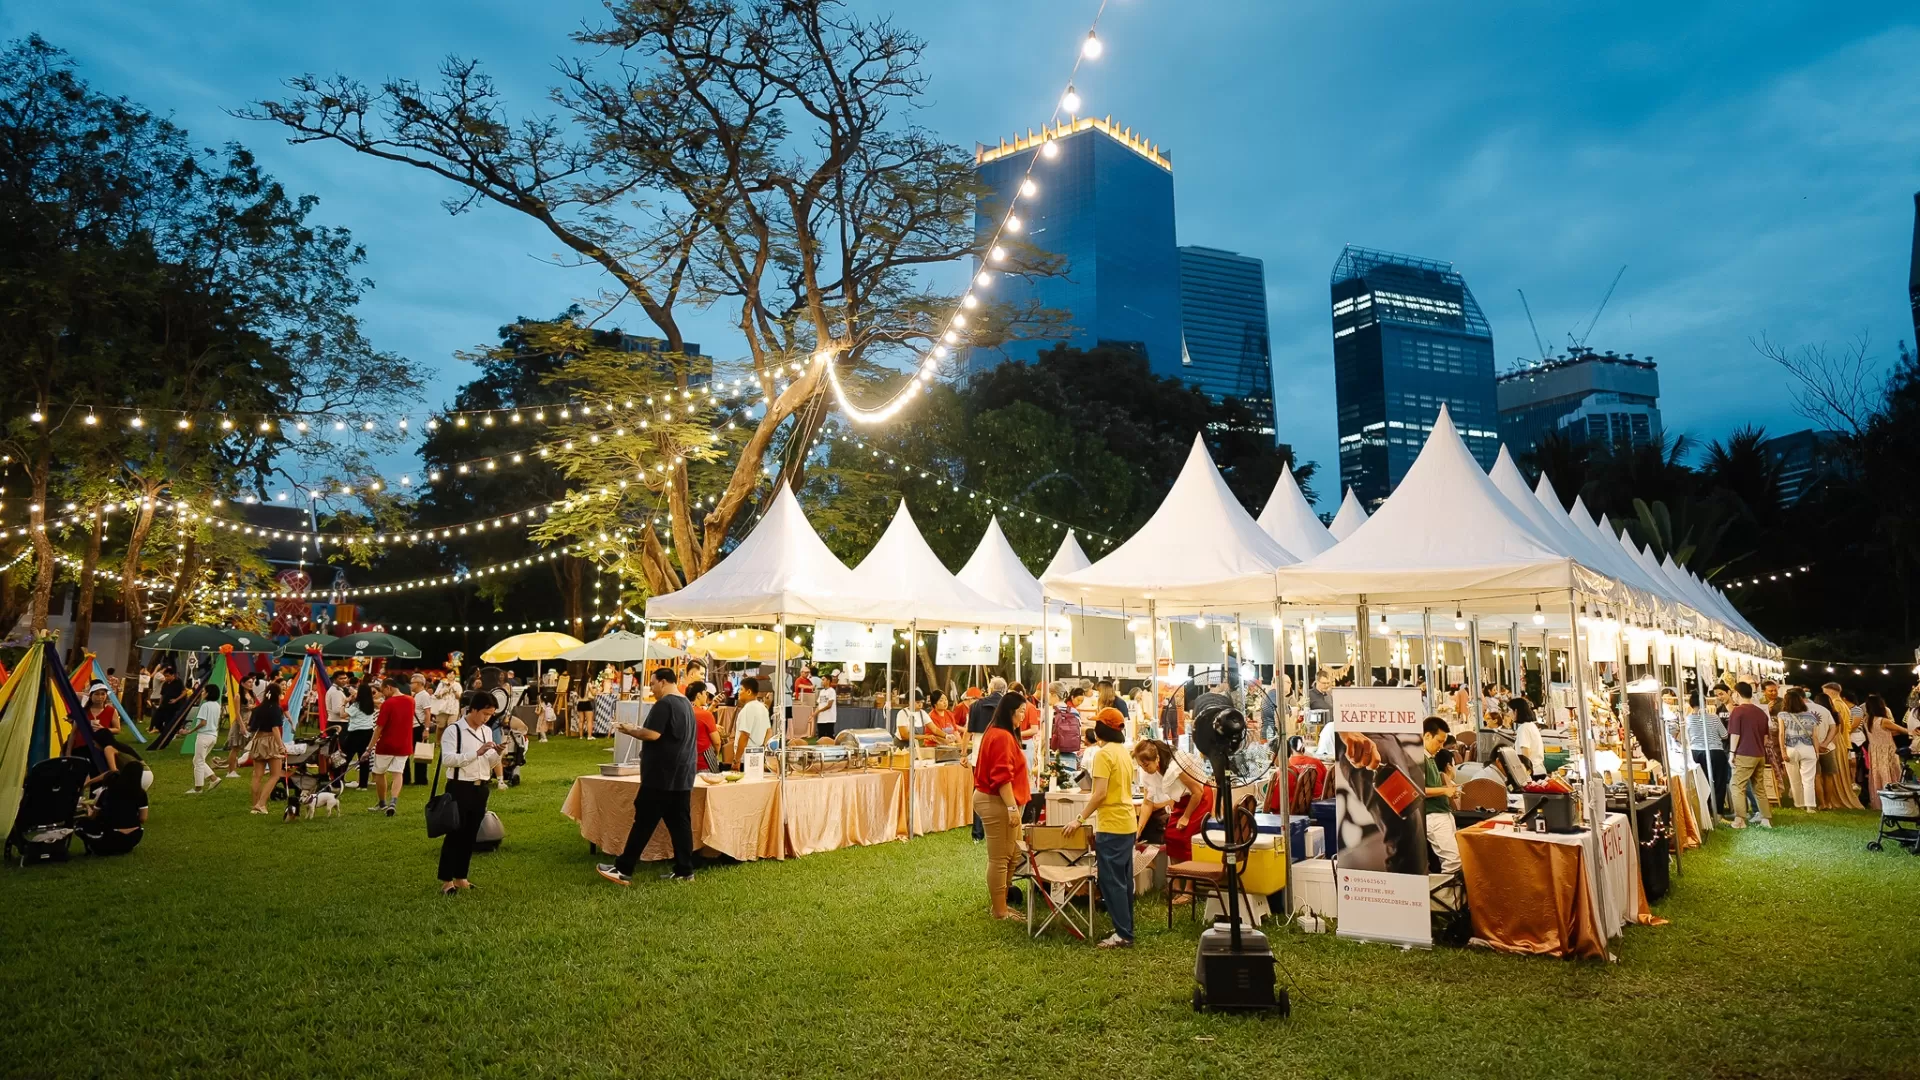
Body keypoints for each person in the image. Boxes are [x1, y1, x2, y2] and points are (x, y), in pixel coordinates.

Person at [599, 669, 699, 885]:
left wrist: (629, 730)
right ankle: (685, 869)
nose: (651, 689)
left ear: (663, 682)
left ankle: (623, 868)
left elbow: (652, 734)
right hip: (682, 775)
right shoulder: (686, 705)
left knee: (644, 821)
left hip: (661, 776)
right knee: (680, 824)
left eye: (652, 684)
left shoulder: (665, 704)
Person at [1064, 709, 1135, 948]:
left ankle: (1123, 934)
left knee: (1110, 880)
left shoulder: (1103, 755)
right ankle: (1125, 927)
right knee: (1123, 880)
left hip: (1112, 824)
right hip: (1127, 822)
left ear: (1103, 729)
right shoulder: (1123, 753)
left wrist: (1079, 819)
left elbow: (1100, 794)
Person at [972, 691, 1031, 921]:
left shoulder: (999, 733)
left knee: (1013, 853)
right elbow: (1002, 776)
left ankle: (1003, 903)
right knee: (1000, 857)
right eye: (1021, 712)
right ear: (1010, 712)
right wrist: (1011, 808)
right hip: (996, 801)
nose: (1023, 718)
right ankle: (999, 910)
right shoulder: (1002, 736)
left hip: (1002, 800)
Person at [437, 692, 502, 895]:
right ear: (473, 709)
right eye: (484, 713)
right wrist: (476, 753)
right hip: (459, 787)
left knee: (470, 834)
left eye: (490, 715)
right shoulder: (454, 730)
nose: (487, 718)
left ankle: (461, 877)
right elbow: (447, 759)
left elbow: (488, 761)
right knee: (455, 834)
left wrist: (497, 753)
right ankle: (446, 880)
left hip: (480, 787)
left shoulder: (486, 731)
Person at [1724, 681, 1773, 829]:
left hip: (1744, 753)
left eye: (1733, 693)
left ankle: (1740, 819)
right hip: (1759, 753)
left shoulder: (1738, 711)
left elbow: (1735, 734)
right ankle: (1766, 819)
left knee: (1736, 785)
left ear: (1737, 694)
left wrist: (1731, 753)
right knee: (1759, 786)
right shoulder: (1760, 712)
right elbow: (1765, 738)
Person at [967, 677, 1009, 841]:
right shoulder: (1007, 705)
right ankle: (1000, 829)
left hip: (978, 754)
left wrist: (964, 753)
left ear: (990, 689)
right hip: (1000, 754)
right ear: (1004, 690)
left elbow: (968, 731)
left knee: (979, 791)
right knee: (1003, 790)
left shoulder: (975, 706)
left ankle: (977, 834)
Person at [79, 756, 149, 856]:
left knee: (81, 824)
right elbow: (143, 818)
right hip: (135, 836)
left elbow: (94, 816)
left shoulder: (107, 792)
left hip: (112, 835)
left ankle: (93, 847)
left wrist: (87, 808)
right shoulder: (140, 793)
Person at [371, 678, 416, 816]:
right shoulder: (410, 700)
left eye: (383, 690)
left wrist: (370, 746)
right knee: (398, 773)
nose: (383, 693)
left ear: (389, 687)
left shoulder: (388, 703)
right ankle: (393, 801)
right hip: (404, 743)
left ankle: (382, 802)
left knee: (379, 772)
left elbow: (379, 728)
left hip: (387, 743)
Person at [1421, 717, 1461, 874]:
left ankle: (1450, 896)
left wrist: (1447, 784)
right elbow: (1417, 789)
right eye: (1439, 741)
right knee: (1453, 860)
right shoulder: (1420, 758)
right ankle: (1446, 898)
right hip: (1433, 815)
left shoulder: (1429, 757)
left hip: (1442, 813)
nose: (1441, 746)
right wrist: (1445, 790)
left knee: (1456, 858)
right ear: (1427, 736)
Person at [1814, 683, 1862, 810]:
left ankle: (1832, 799)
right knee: (1835, 772)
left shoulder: (1836, 704)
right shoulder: (1844, 705)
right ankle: (1832, 799)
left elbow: (1835, 726)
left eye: (1826, 692)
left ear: (1832, 692)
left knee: (1832, 773)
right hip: (1840, 740)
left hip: (1833, 740)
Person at [1687, 691, 1731, 819]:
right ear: (1705, 703)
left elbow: (1686, 738)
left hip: (1696, 753)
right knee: (1719, 783)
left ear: (1690, 705)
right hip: (1715, 751)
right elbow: (1724, 735)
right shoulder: (1714, 717)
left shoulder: (1687, 719)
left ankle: (1705, 813)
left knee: (1702, 783)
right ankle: (1717, 813)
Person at [246, 684, 288, 815]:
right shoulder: (276, 709)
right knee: (275, 775)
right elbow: (275, 728)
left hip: (258, 741)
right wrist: (281, 745)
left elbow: (250, 727)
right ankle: (261, 804)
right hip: (271, 741)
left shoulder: (257, 709)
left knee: (257, 775)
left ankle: (255, 805)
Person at [1778, 687, 1821, 812]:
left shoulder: (1782, 715)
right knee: (1808, 780)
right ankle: (1810, 806)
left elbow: (1781, 734)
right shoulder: (1811, 716)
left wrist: (1783, 751)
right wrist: (1817, 752)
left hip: (1791, 748)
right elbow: (1815, 736)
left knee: (1794, 779)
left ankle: (1799, 803)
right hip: (1808, 748)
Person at [1132, 738, 1180, 843]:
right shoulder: (1146, 774)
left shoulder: (1173, 767)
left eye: (1146, 765)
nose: (1144, 769)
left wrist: (1162, 804)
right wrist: (1138, 830)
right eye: (1141, 766)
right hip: (1163, 817)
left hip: (1181, 813)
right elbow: (1147, 802)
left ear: (1157, 758)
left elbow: (1178, 799)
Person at [183, 683, 224, 795]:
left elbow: (203, 722)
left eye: (203, 691)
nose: (202, 693)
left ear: (208, 693)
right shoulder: (217, 705)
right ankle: (214, 779)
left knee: (199, 762)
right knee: (198, 760)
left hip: (204, 736)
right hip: (213, 736)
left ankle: (198, 788)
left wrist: (190, 731)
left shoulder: (205, 706)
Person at [1862, 694, 1902, 808]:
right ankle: (1894, 801)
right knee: (1890, 772)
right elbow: (1900, 730)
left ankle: (1878, 801)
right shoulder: (1883, 720)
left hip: (1874, 750)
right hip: (1887, 749)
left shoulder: (1866, 720)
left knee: (1877, 774)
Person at [341, 678, 379, 791]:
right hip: (368, 733)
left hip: (355, 733)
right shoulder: (371, 704)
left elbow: (342, 715)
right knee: (364, 759)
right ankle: (363, 785)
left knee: (345, 757)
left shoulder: (357, 705)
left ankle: (339, 780)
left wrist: (344, 704)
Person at [730, 677, 772, 764]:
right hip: (758, 754)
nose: (739, 692)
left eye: (741, 689)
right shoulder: (763, 707)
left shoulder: (748, 708)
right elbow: (769, 732)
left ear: (748, 692)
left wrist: (736, 760)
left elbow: (745, 735)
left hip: (746, 756)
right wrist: (763, 750)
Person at [1509, 697, 1546, 779]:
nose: (1509, 714)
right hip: (1539, 770)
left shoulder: (1524, 728)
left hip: (1533, 773)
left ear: (1516, 711)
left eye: (1510, 710)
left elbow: (1525, 753)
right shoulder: (1531, 726)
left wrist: (1525, 774)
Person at [688, 681, 721, 772]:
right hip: (704, 763)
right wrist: (717, 753)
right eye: (705, 693)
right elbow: (717, 742)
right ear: (698, 695)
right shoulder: (705, 715)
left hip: (685, 762)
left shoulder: (681, 711)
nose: (706, 696)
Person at [324, 669, 353, 736]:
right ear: (335, 680)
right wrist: (352, 711)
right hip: (337, 723)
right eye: (340, 679)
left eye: (345, 678)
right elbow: (337, 710)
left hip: (337, 722)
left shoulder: (338, 690)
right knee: (338, 745)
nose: (344, 680)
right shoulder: (335, 692)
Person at [813, 671, 839, 737]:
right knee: (821, 736)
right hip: (821, 718)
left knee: (829, 736)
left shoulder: (832, 691)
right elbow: (819, 704)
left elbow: (829, 705)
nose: (822, 681)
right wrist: (814, 713)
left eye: (823, 680)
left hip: (829, 718)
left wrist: (818, 711)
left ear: (828, 681)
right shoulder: (821, 692)